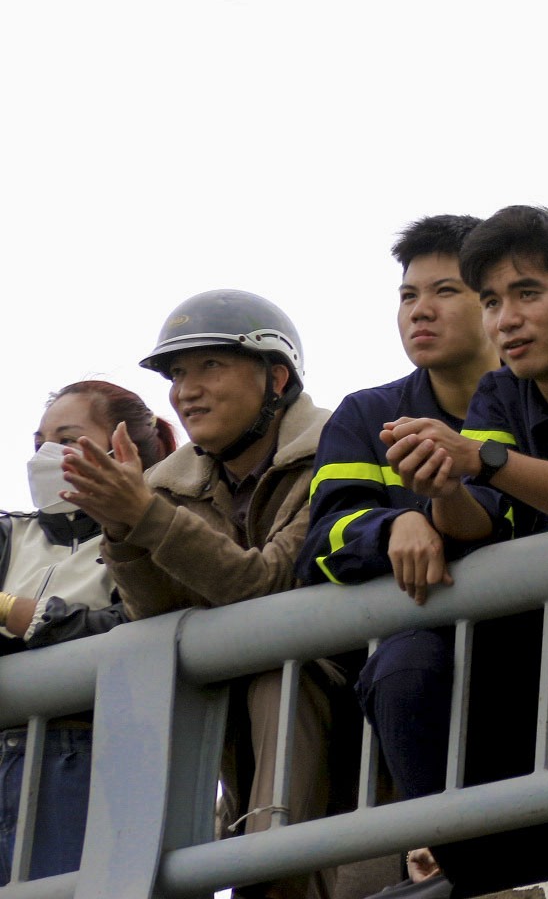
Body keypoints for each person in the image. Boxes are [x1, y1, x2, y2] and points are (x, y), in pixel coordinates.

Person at [372, 206, 548, 894]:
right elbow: (484, 525)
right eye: (492, 301)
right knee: (405, 662)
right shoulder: (500, 391)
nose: (506, 320)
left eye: (527, 294)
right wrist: (440, 487)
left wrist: (481, 459)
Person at [63, 290, 336, 899]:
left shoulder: (339, 451)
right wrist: (124, 530)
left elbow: (267, 584)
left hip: (347, 699)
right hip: (235, 729)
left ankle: (266, 876)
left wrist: (146, 517)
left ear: (277, 378)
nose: (187, 390)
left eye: (211, 365)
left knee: (278, 679)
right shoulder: (164, 486)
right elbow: (160, 616)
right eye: (178, 373)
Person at [293, 215, 504, 895]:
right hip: (428, 663)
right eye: (408, 295)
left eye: (445, 290)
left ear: (491, 302)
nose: (421, 310)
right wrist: (390, 529)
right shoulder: (367, 414)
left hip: (541, 648)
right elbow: (320, 542)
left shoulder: (538, 393)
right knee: (404, 667)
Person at [0, 383, 175, 878]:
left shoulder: (156, 533)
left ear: (126, 448)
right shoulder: (10, 533)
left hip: (89, 764)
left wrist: (15, 613)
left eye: (68, 438)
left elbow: (135, 626)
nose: (47, 455)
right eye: (40, 443)